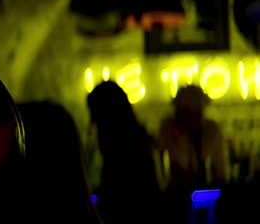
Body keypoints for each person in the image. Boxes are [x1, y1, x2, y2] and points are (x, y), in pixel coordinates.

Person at [87, 81, 160, 223]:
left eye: (95, 113)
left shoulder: (117, 148)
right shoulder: (139, 140)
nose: (92, 121)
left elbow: (114, 190)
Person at [159, 85, 229, 189]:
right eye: (184, 114)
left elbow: (221, 171)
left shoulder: (212, 132)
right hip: (176, 195)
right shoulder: (168, 131)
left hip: (209, 191)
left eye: (195, 113)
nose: (188, 119)